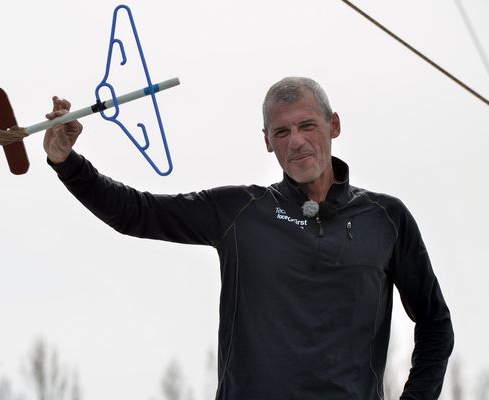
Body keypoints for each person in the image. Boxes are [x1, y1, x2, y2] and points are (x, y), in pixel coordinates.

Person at [43, 77, 454, 399]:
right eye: (281, 131)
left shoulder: (385, 218)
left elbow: (435, 324)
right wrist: (67, 162)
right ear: (267, 141)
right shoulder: (240, 212)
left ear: (333, 125)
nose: (296, 141)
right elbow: (137, 213)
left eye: (307, 125)